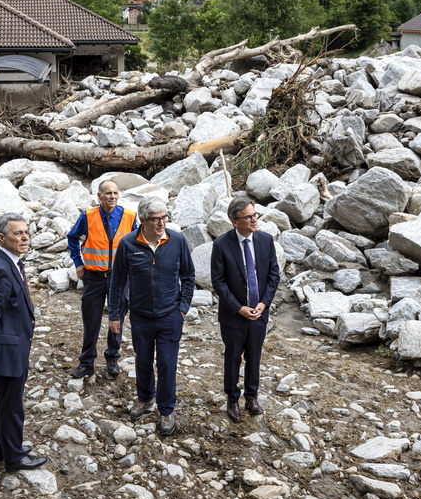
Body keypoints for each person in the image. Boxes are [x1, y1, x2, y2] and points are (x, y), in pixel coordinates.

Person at [108, 198, 195, 436]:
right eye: (156, 219)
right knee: (143, 361)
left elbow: (188, 276)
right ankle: (145, 398)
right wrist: (114, 315)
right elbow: (116, 284)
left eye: (164, 217)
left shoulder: (177, 240)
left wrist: (183, 307)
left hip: (170, 316)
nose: (161, 223)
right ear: (143, 220)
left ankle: (166, 409)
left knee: (167, 364)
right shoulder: (128, 244)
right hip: (141, 317)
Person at [0, 213, 47, 472]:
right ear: (1, 238)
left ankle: (0, 449)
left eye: (26, 232)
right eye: (18, 233)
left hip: (9, 346)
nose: (24, 237)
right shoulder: (2, 269)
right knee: (11, 406)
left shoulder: (10, 262)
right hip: (7, 350)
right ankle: (14, 457)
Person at [210, 197, 280, 423]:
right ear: (234, 221)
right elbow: (218, 282)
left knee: (254, 356)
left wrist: (263, 303)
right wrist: (239, 308)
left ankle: (252, 397)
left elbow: (273, 275)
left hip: (259, 312)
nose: (254, 220)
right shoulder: (221, 244)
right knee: (232, 357)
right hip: (234, 314)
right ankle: (232, 398)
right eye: (248, 217)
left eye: (255, 215)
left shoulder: (265, 240)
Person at [67, 179, 139, 379]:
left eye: (115, 193)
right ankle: (87, 362)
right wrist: (78, 263)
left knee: (117, 318)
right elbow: (72, 238)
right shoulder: (88, 216)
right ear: (99, 196)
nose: (113, 197)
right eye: (108, 193)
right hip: (94, 277)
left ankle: (112, 357)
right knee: (91, 320)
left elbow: (139, 243)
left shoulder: (129, 217)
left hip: (121, 278)